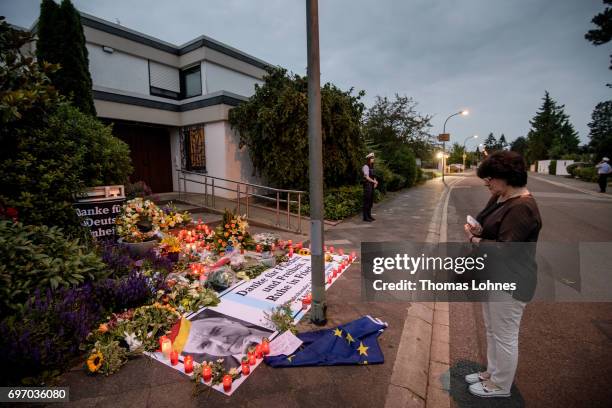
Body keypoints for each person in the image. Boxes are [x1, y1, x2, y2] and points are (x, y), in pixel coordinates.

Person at [463, 150, 542, 398]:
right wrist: (477, 227)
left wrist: (476, 239)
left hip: (511, 281)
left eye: (491, 177)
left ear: (506, 176)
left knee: (505, 334)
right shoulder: (501, 197)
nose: (487, 182)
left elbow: (506, 250)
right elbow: (489, 226)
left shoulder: (522, 207)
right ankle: (492, 372)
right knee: (492, 329)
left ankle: (501, 385)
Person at [363, 152, 378, 222]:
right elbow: (367, 177)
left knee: (370, 201)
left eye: (373, 158)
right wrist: (374, 182)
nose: (373, 159)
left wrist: (375, 181)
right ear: (369, 159)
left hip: (371, 186)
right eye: (372, 158)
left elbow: (373, 176)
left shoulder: (372, 167)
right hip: (367, 186)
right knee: (367, 201)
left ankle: (369, 215)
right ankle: (365, 217)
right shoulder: (365, 166)